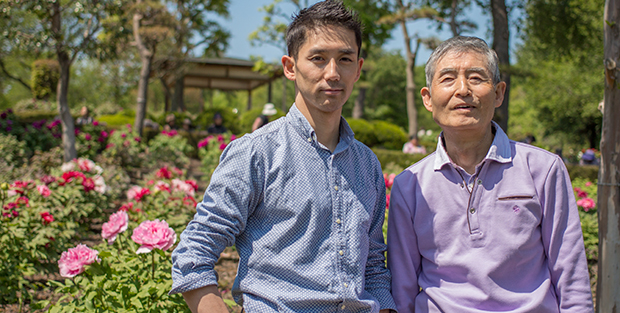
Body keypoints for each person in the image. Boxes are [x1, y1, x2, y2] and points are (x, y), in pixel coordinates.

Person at [171, 2, 396, 312]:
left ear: (357, 69)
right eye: (318, 58)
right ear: (290, 67)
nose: (333, 73)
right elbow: (194, 251)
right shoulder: (256, 153)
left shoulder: (367, 164)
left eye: (344, 59)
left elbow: (371, 264)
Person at [387, 36, 593, 312]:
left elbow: (571, 275)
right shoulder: (410, 185)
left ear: (498, 93)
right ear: (427, 98)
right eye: (448, 79)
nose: (462, 90)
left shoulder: (543, 170)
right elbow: (403, 291)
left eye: (476, 78)